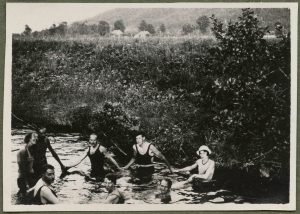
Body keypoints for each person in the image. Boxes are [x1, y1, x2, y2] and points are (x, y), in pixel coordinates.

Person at [17, 132, 38, 197]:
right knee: (25, 198)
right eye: (34, 137)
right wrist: (27, 184)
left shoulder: (32, 150)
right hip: (23, 179)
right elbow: (23, 170)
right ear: (29, 139)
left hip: (30, 177)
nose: (36, 138)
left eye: (37, 137)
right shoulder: (22, 152)